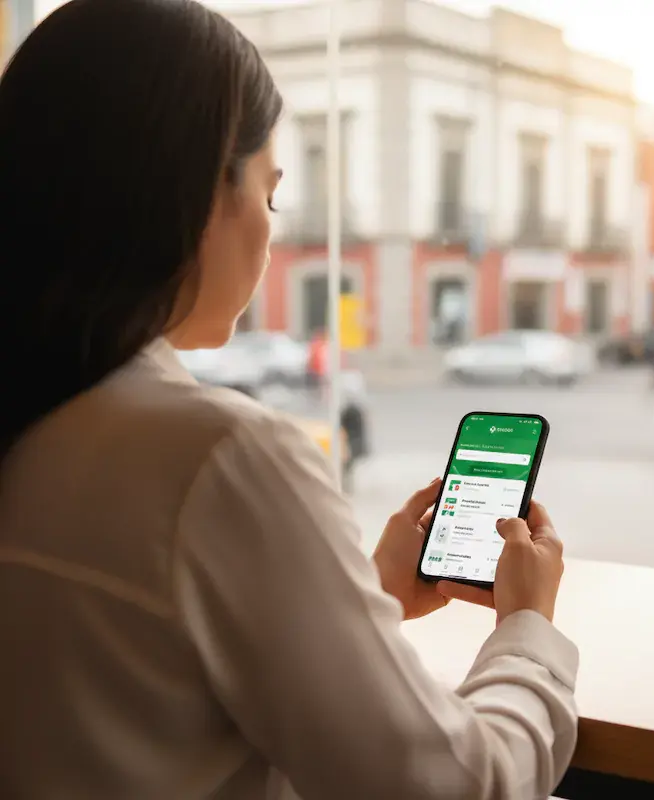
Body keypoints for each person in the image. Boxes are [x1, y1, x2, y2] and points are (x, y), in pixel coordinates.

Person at [0, 2, 579, 798]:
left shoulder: (44, 419)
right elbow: (454, 787)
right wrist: (528, 629)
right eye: (270, 196)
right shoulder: (220, 457)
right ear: (196, 192)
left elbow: (141, 670)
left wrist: (360, 593)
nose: (272, 233)